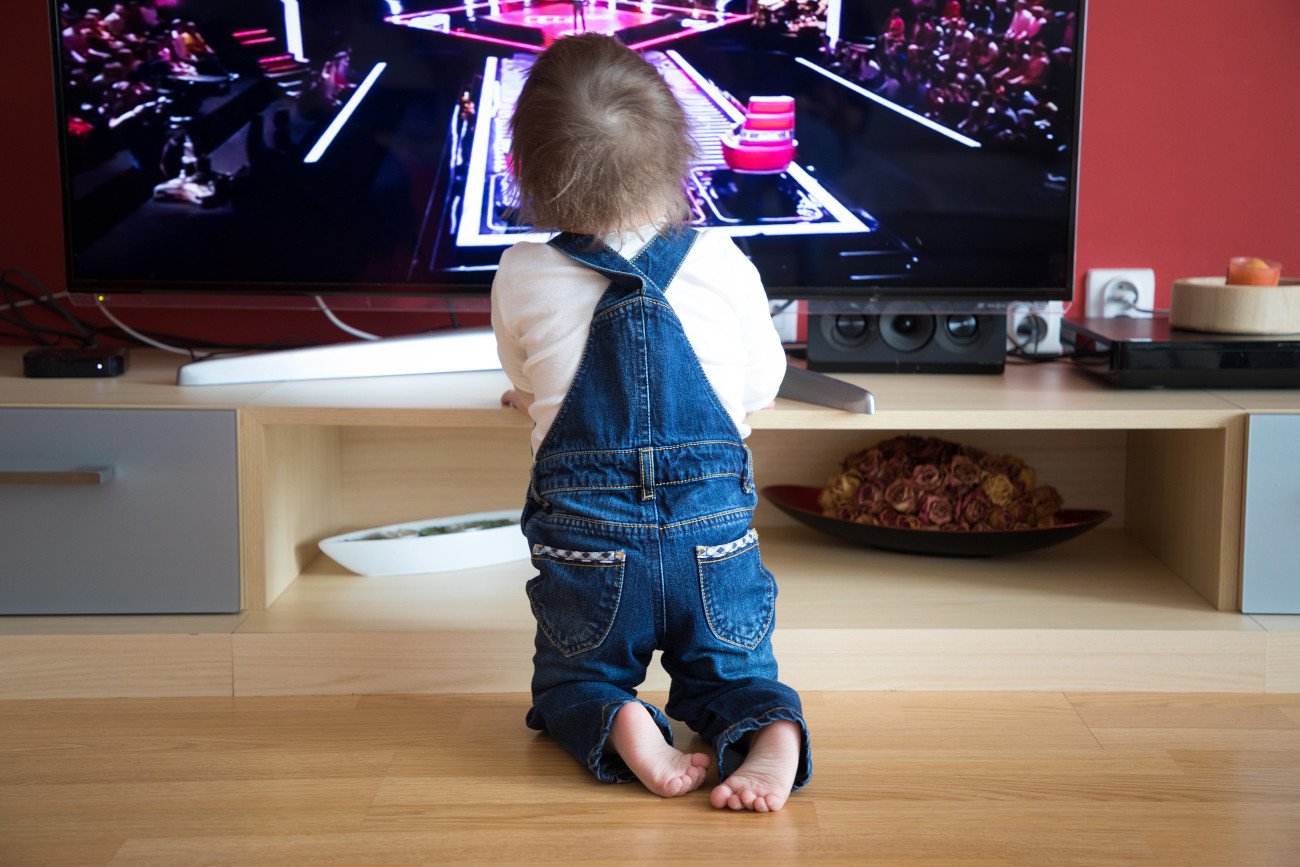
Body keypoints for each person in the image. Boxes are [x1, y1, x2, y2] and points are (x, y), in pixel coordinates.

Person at [491, 33, 811, 812]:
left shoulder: (523, 271)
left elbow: (524, 378)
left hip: (590, 547)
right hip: (715, 537)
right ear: (681, 160)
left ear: (525, 170)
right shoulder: (725, 259)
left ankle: (623, 715)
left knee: (574, 676)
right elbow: (763, 383)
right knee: (734, 672)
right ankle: (766, 730)